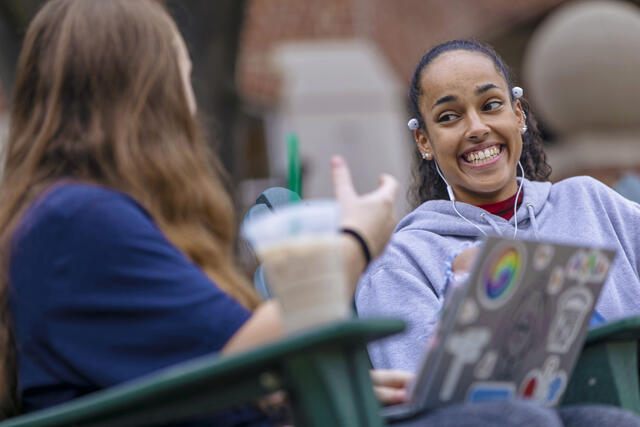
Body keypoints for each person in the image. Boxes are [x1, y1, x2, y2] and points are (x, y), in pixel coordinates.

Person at [0, 0, 402, 423]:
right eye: (184, 78)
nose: (193, 108)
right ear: (151, 94)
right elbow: (243, 353)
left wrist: (294, 387)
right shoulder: (77, 220)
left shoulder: (76, 218)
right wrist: (357, 237)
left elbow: (202, 368)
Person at [355, 39, 640, 374]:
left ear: (517, 114)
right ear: (424, 142)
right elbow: (421, 399)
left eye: (491, 105)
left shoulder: (592, 203)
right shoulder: (402, 261)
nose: (477, 128)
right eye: (449, 116)